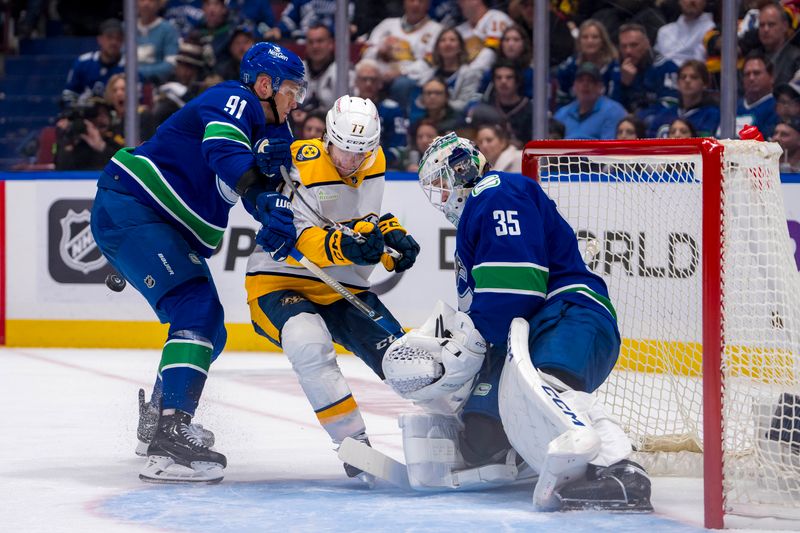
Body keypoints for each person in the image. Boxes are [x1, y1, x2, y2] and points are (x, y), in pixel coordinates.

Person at [380, 132, 652, 512]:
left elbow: (516, 288)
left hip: (567, 313)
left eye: (442, 182)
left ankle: (622, 471)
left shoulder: (496, 191)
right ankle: (527, 453)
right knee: (482, 437)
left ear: (461, 170)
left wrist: (468, 346)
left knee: (545, 390)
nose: (441, 195)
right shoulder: (478, 211)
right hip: (524, 333)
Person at [90, 42, 307, 484]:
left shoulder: (278, 134)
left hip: (161, 224)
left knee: (211, 329)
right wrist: (260, 194)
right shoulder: (234, 99)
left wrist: (277, 218)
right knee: (196, 310)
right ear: (264, 84)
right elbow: (223, 154)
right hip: (135, 207)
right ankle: (169, 437)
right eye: (291, 88)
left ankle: (157, 419)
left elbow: (261, 191)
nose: (296, 99)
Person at [244, 95, 420, 485]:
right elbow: (298, 233)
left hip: (342, 285)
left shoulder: (374, 162)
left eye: (360, 153)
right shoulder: (298, 158)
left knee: (405, 360)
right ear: (327, 137)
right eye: (342, 149)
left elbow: (360, 220)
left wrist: (389, 242)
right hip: (279, 279)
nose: (349, 162)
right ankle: (352, 443)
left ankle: (471, 429)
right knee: (308, 344)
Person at [362, 0, 442, 111]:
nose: (415, 4)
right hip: (379, 73)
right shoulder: (387, 24)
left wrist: (401, 71)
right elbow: (365, 51)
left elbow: (429, 62)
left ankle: (400, 120)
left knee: (401, 84)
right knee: (364, 78)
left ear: (428, 5)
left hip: (408, 77)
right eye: (412, 0)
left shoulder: (435, 29)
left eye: (421, 1)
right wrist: (379, 50)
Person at [62, 18, 126, 108]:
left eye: (118, 38)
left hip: (118, 117)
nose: (114, 42)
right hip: (86, 117)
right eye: (109, 37)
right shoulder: (83, 62)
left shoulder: (129, 66)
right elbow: (69, 94)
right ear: (100, 39)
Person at [554, 62, 627, 140]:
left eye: (591, 81)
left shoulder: (614, 112)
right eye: (581, 80)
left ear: (600, 87)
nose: (585, 84)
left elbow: (610, 148)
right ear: (574, 86)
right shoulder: (562, 114)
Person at [555, 19, 620, 107]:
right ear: (579, 41)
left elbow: (615, 100)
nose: (590, 41)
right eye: (585, 37)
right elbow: (562, 99)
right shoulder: (570, 65)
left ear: (602, 41)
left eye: (595, 37)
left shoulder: (613, 66)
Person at [647, 60, 719, 138]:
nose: (687, 80)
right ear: (677, 83)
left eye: (694, 77)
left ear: (705, 84)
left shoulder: (714, 115)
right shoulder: (663, 115)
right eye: (683, 77)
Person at [653, 0, 714, 67]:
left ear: (705, 2)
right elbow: (657, 63)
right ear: (679, 1)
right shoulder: (664, 31)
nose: (692, 1)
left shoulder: (711, 30)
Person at [735, 53, 780, 139]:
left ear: (771, 77)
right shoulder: (732, 107)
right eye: (747, 74)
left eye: (756, 73)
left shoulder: (777, 108)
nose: (751, 78)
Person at [136, 0, 180, 84]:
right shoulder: (126, 28)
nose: (146, 4)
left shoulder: (168, 30)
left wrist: (138, 72)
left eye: (151, 0)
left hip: (157, 85)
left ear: (159, 4)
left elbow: (170, 64)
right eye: (142, 0)